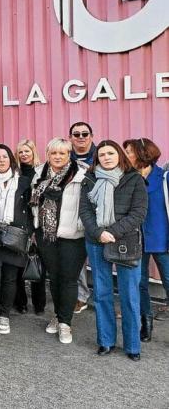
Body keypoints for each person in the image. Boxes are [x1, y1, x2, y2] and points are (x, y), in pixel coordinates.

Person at [79, 140, 147, 360]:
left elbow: (138, 213)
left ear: (119, 155)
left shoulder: (134, 179)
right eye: (102, 154)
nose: (106, 157)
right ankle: (106, 341)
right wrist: (99, 232)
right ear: (97, 158)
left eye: (111, 153)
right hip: (97, 240)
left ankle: (132, 346)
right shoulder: (89, 180)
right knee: (102, 293)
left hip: (126, 241)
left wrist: (113, 232)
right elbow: (85, 211)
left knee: (129, 295)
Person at [30, 137, 87, 344]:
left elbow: (88, 204)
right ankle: (57, 314)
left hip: (73, 235)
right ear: (48, 154)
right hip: (47, 234)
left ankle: (65, 323)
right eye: (54, 153)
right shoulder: (39, 173)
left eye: (62, 153)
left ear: (69, 154)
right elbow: (33, 203)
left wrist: (82, 225)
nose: (58, 157)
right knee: (54, 278)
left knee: (69, 279)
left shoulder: (81, 174)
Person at [0, 145, 33, 335]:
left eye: (4, 157)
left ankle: (4, 315)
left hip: (14, 236)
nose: (1, 160)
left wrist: (30, 231)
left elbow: (32, 209)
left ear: (11, 159)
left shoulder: (24, 182)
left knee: (10, 279)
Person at [125, 138, 169, 338]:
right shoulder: (128, 177)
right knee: (139, 283)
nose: (125, 155)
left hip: (162, 240)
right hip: (136, 240)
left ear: (142, 154)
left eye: (129, 152)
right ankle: (146, 321)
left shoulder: (164, 177)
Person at [15, 139, 45, 314]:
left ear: (34, 152)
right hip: (19, 224)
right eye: (21, 152)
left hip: (36, 224)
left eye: (27, 151)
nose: (24, 155)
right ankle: (21, 302)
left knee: (36, 263)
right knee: (18, 266)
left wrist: (34, 228)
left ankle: (39, 304)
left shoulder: (41, 172)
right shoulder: (15, 174)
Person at [69, 122, 95, 315]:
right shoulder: (65, 156)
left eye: (85, 133)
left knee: (101, 258)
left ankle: (104, 299)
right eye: (76, 134)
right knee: (76, 260)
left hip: (97, 215)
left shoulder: (101, 155)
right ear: (71, 137)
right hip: (72, 213)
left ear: (91, 137)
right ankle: (81, 296)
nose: (81, 137)